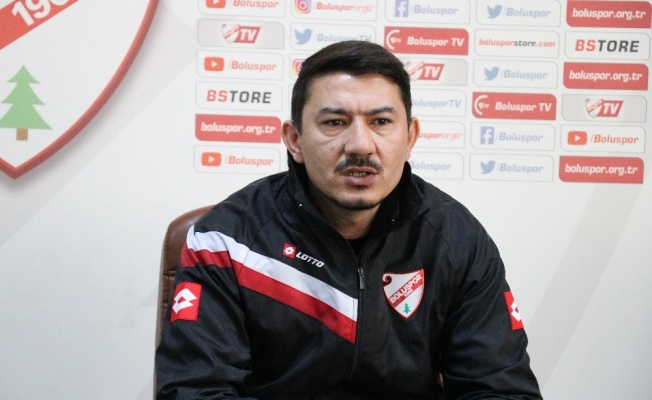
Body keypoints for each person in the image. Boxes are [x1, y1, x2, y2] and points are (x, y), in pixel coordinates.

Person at [155, 40, 542, 399]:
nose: (360, 145)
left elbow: (500, 388)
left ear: (410, 137)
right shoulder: (227, 240)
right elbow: (196, 391)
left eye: (381, 122)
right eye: (335, 122)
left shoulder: (455, 239)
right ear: (295, 140)